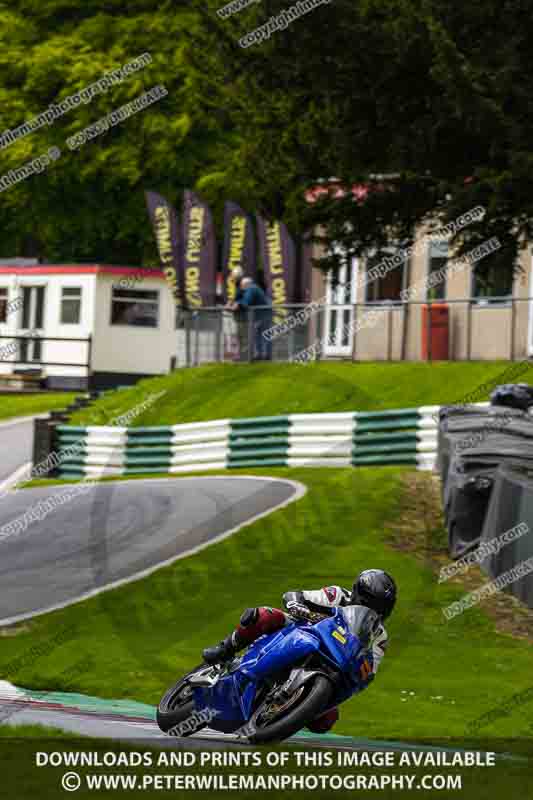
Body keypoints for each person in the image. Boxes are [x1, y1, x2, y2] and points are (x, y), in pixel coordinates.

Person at [202, 569, 397, 733]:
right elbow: (298, 595)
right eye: (373, 603)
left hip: (335, 661)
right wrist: (297, 604)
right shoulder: (337, 595)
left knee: (326, 721)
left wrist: (364, 670)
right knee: (264, 615)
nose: (375, 610)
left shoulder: (379, 636)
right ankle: (225, 649)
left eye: (381, 607)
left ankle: (281, 712)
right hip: (300, 631)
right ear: (359, 593)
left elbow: (371, 668)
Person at [232, 276, 272, 360]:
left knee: (259, 335)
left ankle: (261, 355)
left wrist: (238, 305)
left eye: (242, 286)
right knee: (262, 335)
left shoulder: (251, 289)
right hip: (264, 315)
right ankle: (263, 355)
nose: (242, 288)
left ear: (246, 284)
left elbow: (247, 301)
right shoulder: (255, 288)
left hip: (261, 316)